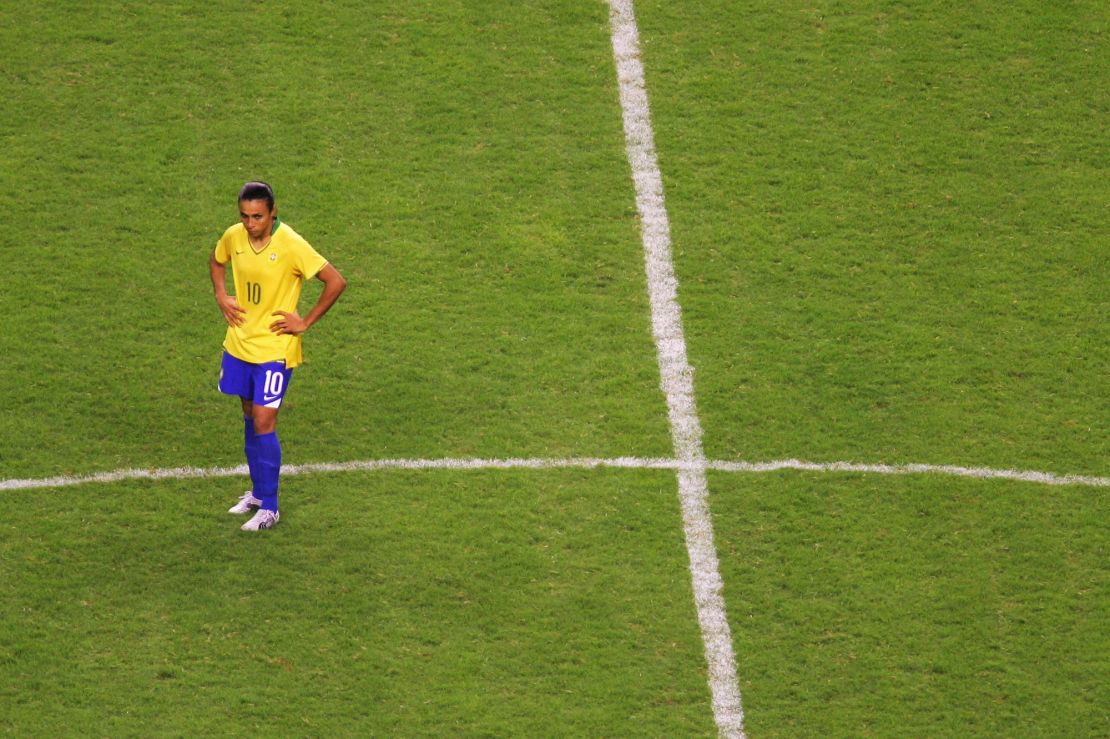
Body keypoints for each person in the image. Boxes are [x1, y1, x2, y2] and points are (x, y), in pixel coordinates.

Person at [209, 181, 346, 531]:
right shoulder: (234, 236)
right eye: (244, 216)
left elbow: (335, 281)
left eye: (257, 216)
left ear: (273, 213)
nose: (250, 223)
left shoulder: (291, 244)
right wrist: (222, 296)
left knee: (264, 421)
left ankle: (270, 506)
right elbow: (216, 260)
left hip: (275, 349)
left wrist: (305, 322)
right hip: (240, 344)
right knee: (248, 417)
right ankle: (256, 492)